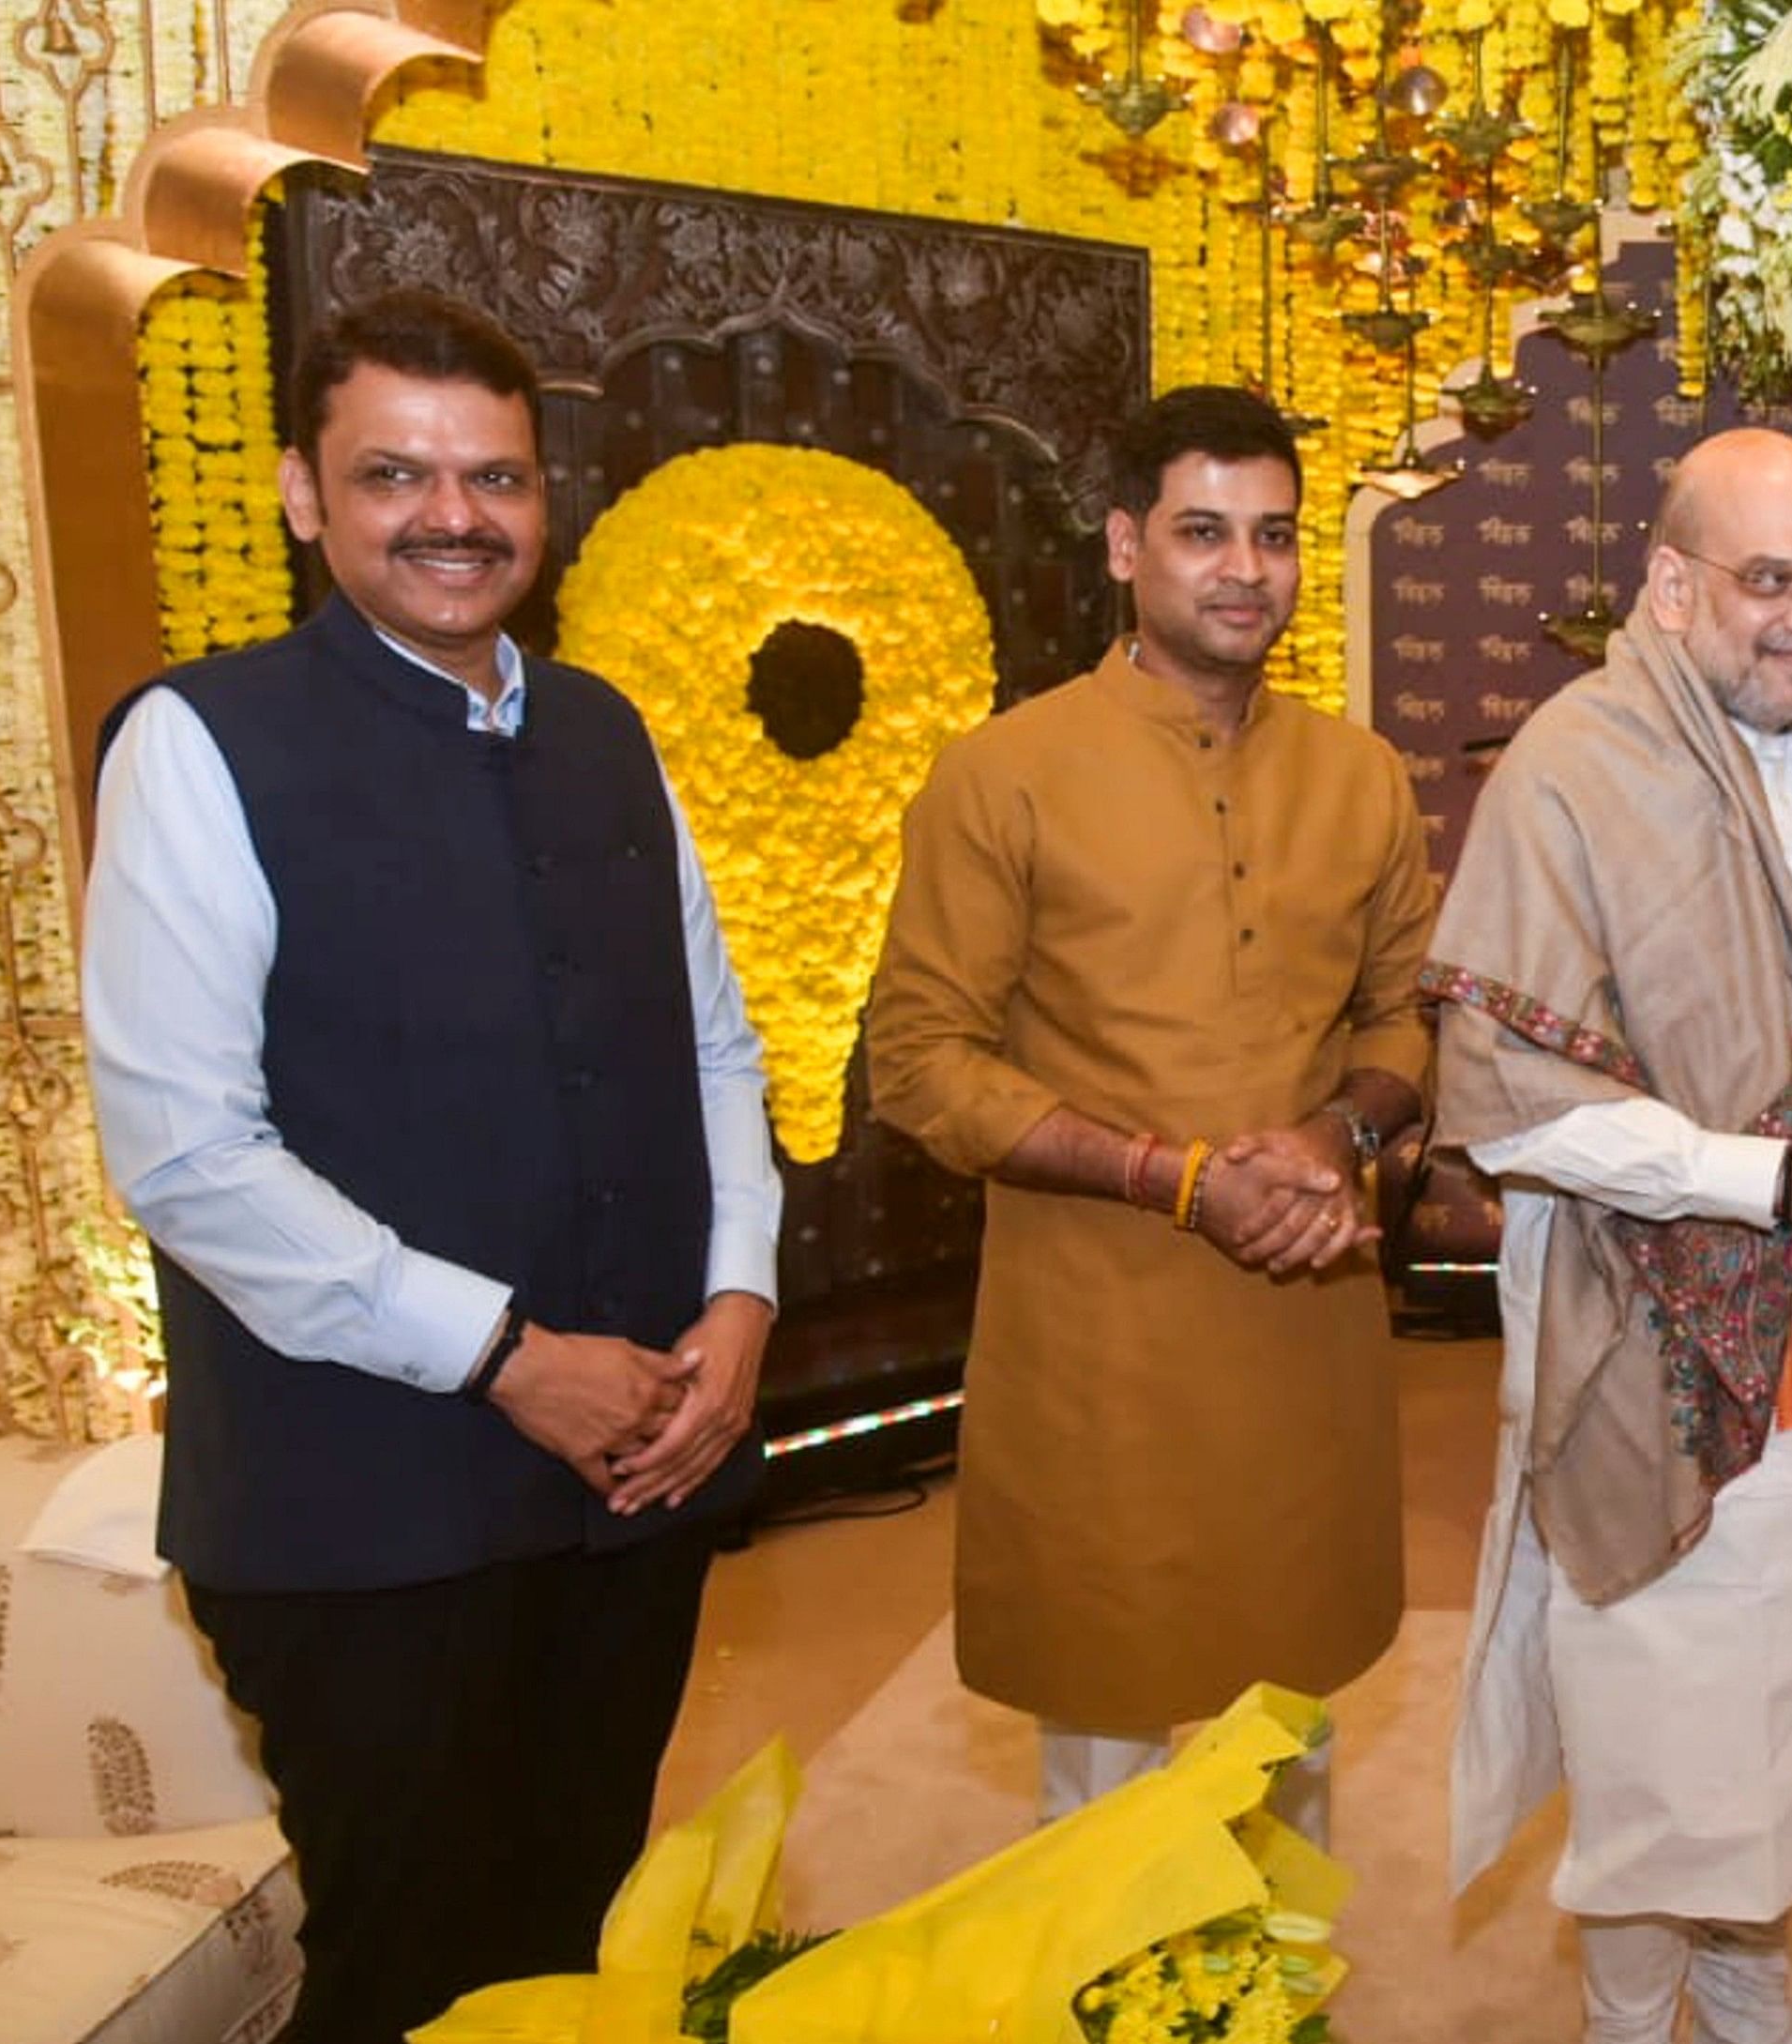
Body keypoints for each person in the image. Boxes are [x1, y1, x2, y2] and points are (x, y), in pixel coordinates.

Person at [82, 288, 782, 2043]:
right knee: (410, 1962)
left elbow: (713, 1042)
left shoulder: (611, 726)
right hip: (358, 1505)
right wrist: (504, 1355)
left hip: (625, 1483)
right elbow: (185, 1151)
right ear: (306, 497)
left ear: (546, 499)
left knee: (570, 1942)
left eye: (493, 476)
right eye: (395, 473)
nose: (452, 515)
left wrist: (746, 1296)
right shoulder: (201, 740)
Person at [1427, 426, 1792, 2044]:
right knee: (1662, 1722)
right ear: (1666, 584)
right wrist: (1775, 1182)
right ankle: (1627, 2015)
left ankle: (1748, 1994)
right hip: (1659, 1326)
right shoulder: (1574, 766)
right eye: (1768, 580)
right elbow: (1516, 1107)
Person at [865, 384, 1436, 1836]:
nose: (1245, 568)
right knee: (1108, 1765)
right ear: (1125, 545)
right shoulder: (1005, 774)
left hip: (1303, 1317)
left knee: (1290, 1733)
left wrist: (1339, 1138)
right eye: (1202, 531)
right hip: (1098, 1336)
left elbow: (1406, 1013)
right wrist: (1179, 1178)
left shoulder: (1359, 775)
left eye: (1274, 535)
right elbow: (920, 1059)